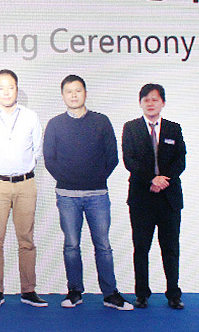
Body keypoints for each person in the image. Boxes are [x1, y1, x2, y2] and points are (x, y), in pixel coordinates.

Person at [42, 75, 133, 311]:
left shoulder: (101, 121)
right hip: (67, 195)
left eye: (78, 90)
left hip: (97, 194)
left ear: (85, 93)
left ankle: (110, 294)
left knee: (103, 245)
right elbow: (49, 158)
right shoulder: (55, 124)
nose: (74, 95)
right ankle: (74, 292)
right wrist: (68, 179)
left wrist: (95, 178)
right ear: (63, 96)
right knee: (71, 245)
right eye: (69, 91)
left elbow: (112, 156)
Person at [0, 69, 47, 308]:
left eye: (11, 87)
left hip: (26, 184)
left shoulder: (30, 117)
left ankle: (28, 290)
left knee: (27, 239)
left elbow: (37, 149)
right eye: (1, 87)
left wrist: (21, 167)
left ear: (17, 89)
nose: (6, 92)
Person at [122, 83, 187, 310]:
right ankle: (142, 294)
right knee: (141, 248)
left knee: (170, 248)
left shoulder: (173, 129)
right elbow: (129, 160)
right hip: (142, 198)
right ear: (140, 103)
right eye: (146, 100)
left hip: (169, 198)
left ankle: (173, 294)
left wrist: (163, 180)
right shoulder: (131, 128)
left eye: (155, 99)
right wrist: (152, 178)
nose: (150, 104)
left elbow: (181, 160)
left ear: (163, 103)